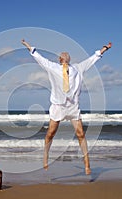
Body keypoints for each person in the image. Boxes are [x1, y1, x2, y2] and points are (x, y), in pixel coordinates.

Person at [21, 39, 112, 175]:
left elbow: (92, 59)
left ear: (68, 58)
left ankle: (87, 164)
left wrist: (104, 48)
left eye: (67, 54)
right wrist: (28, 46)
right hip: (58, 106)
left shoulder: (78, 68)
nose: (65, 54)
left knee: (81, 134)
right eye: (63, 54)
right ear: (60, 59)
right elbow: (39, 57)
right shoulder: (52, 67)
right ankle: (45, 157)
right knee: (50, 133)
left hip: (72, 107)